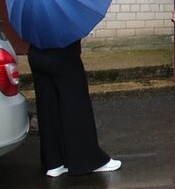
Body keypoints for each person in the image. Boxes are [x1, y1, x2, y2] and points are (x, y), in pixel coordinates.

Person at [28, 41, 121, 177]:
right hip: (63, 54)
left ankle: (55, 163)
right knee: (76, 106)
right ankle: (89, 160)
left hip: (36, 55)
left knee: (47, 107)